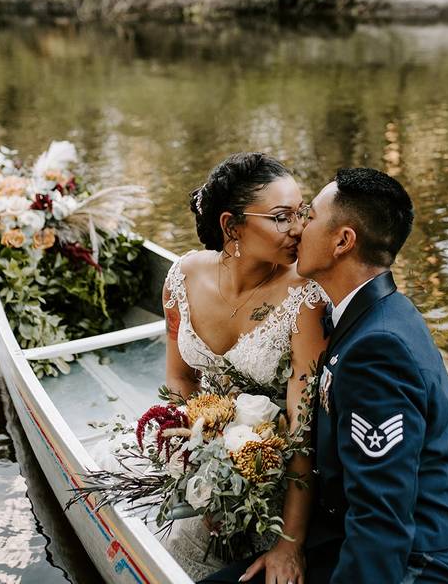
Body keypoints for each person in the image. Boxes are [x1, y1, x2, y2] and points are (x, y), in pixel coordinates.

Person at [207, 167, 448, 583]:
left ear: (343, 241)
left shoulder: (378, 349)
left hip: (414, 565)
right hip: (342, 533)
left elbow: (381, 520)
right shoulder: (360, 315)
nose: (297, 229)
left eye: (308, 216)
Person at [161, 152, 328, 583]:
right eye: (280, 216)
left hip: (279, 476)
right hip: (210, 466)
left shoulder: (304, 298)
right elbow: (181, 377)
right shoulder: (181, 277)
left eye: (301, 212)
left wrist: (289, 543)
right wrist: (197, 452)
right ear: (231, 225)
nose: (299, 229)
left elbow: (301, 426)